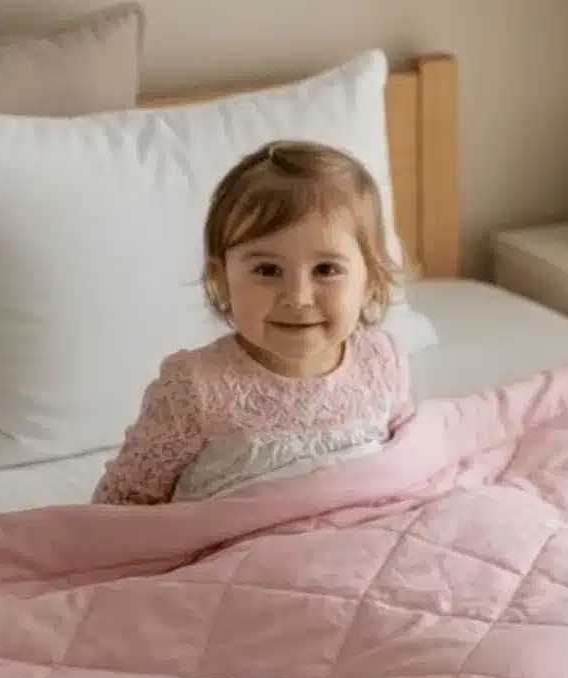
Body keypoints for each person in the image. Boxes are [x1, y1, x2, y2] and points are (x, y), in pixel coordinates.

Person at [92, 140, 413, 506]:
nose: (298, 297)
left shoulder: (382, 362)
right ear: (222, 279)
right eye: (267, 270)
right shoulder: (195, 389)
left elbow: (408, 468)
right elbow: (121, 505)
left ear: (371, 278)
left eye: (326, 269)